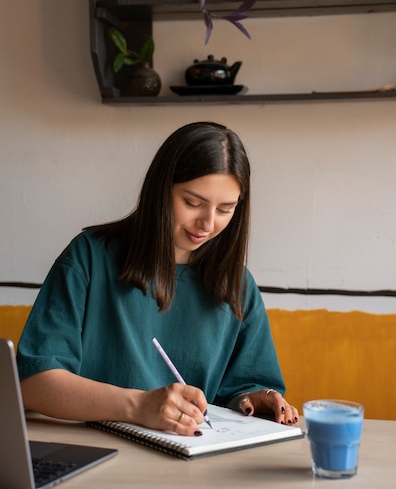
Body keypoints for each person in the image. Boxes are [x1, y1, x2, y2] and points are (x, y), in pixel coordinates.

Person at [17, 121, 298, 436]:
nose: (207, 223)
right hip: (94, 453)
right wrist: (138, 406)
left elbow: (240, 387)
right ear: (160, 190)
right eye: (192, 203)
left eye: (225, 209)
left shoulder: (238, 286)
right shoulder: (90, 257)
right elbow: (34, 382)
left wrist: (251, 398)